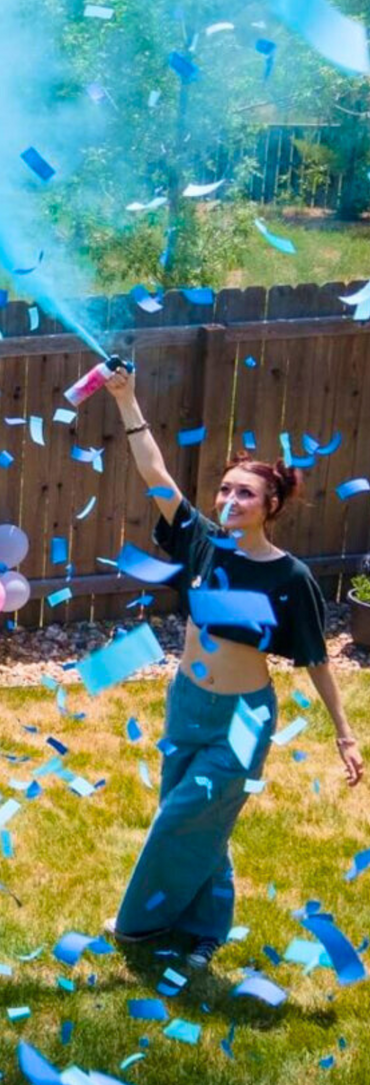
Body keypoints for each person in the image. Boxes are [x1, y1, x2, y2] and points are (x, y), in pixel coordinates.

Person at [102, 366, 363, 970]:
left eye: (245, 494)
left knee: (181, 818)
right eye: (225, 491)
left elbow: (315, 658)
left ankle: (139, 923)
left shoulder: (290, 576)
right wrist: (127, 400)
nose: (230, 501)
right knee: (205, 822)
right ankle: (205, 930)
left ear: (271, 505)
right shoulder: (201, 542)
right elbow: (155, 474)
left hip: (244, 717)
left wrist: (344, 733)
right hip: (187, 704)